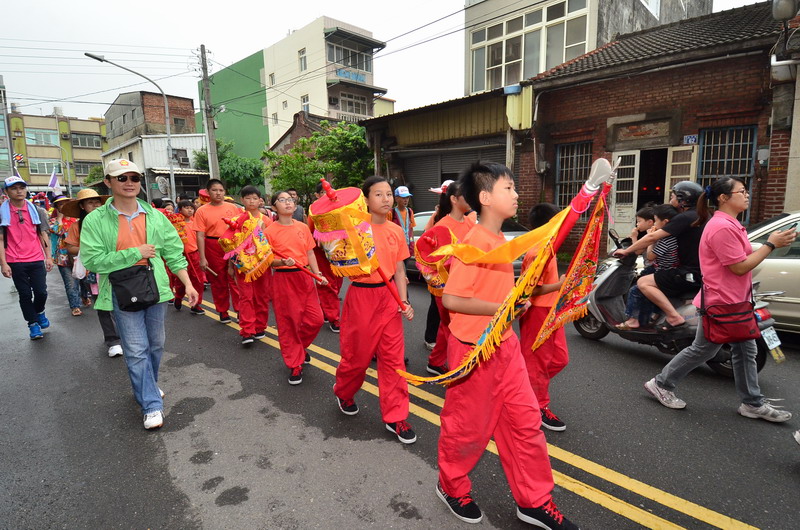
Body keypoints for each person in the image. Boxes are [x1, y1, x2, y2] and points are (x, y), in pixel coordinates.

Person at [437, 162, 577, 529]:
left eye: (515, 188)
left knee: (525, 424)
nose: (517, 195)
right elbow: (452, 300)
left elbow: (501, 295)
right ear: (485, 198)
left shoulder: (502, 240)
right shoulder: (475, 242)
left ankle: (534, 501)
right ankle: (451, 485)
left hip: (506, 345)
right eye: (509, 188)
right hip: (473, 350)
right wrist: (504, 307)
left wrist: (517, 301)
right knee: (467, 428)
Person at [644, 177, 795, 423]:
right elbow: (738, 267)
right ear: (724, 198)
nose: (747, 195)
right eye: (741, 191)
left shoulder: (730, 224)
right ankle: (661, 383)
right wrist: (770, 244)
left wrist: (769, 244)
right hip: (722, 302)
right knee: (705, 349)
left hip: (733, 300)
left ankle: (752, 402)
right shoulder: (721, 227)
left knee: (744, 349)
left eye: (746, 191)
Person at [80, 159, 199, 430]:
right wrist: (136, 253)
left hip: (155, 289)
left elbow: (173, 252)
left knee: (156, 345)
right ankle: (151, 404)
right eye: (121, 178)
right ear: (108, 183)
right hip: (123, 292)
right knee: (135, 350)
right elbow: (93, 260)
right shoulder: (96, 220)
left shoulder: (156, 215)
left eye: (134, 177)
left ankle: (148, 386)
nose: (129, 182)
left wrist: (188, 285)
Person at [333, 176, 417, 444]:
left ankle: (396, 416)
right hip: (361, 298)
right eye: (378, 194)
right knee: (356, 358)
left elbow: (401, 269)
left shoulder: (395, 230)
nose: (386, 199)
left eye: (389, 194)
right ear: (366, 201)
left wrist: (404, 302)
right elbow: (339, 262)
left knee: (393, 361)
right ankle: (343, 391)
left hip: (389, 298)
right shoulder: (355, 230)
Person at [614, 181, 704, 331]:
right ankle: (655, 316)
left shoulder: (685, 217)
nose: (671, 199)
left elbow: (651, 239)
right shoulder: (703, 215)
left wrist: (626, 251)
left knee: (643, 283)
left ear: (683, 200)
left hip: (688, 272)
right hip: (700, 270)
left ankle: (673, 317)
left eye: (673, 196)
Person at [518, 203, 570, 432]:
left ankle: (522, 388)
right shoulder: (538, 251)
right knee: (536, 363)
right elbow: (529, 290)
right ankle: (537, 406)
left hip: (551, 311)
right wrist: (559, 284)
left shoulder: (550, 246)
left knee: (559, 359)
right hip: (537, 312)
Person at [266, 191, 325, 384]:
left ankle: (298, 349)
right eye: (282, 200)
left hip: (305, 277)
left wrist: (318, 274)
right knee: (289, 324)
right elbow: (267, 261)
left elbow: (310, 253)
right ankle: (294, 364)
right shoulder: (269, 231)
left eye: (290, 200)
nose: (287, 203)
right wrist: (282, 262)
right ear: (274, 207)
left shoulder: (302, 227)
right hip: (284, 280)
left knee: (316, 320)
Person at [62, 189, 123, 357]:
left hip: (117, 267)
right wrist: (89, 248)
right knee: (104, 306)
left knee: (121, 303)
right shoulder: (77, 226)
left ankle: (125, 336)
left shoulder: (112, 220)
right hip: (94, 271)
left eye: (97, 202)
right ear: (82, 206)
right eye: (90, 202)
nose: (95, 205)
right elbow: (70, 247)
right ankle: (113, 340)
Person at [424, 180, 475, 376]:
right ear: (454, 199)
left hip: (464, 285)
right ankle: (453, 367)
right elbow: (432, 260)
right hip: (446, 288)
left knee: (449, 328)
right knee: (452, 328)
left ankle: (435, 362)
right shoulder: (442, 226)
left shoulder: (470, 222)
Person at [0, 175, 53, 340]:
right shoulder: (2, 213)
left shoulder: (36, 210)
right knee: (24, 294)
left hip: (36, 258)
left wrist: (48, 257)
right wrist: (3, 264)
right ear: (6, 191)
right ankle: (33, 325)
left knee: (41, 292)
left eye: (21, 188)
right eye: (14, 188)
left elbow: (44, 234)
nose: (19, 191)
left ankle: (40, 312)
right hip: (15, 260)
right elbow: (1, 239)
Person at [617, 204, 679, 330]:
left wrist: (649, 239)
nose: (637, 224)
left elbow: (649, 256)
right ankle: (648, 317)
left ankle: (633, 320)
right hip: (664, 269)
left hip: (661, 270)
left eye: (655, 220)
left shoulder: (664, 238)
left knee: (635, 290)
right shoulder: (669, 236)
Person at [228, 186, 273, 346]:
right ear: (242, 200)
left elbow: (270, 243)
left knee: (262, 296)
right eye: (248, 198)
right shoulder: (236, 220)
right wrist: (230, 266)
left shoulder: (267, 220)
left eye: (254, 198)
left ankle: (260, 326)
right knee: (246, 297)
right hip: (243, 266)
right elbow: (230, 245)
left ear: (260, 200)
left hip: (262, 265)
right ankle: (247, 330)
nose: (251, 201)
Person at [194, 179, 241, 324]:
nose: (218, 193)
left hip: (232, 245)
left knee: (235, 278)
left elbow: (240, 228)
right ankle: (223, 310)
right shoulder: (202, 210)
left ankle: (240, 310)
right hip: (212, 245)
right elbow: (200, 235)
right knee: (218, 280)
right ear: (208, 192)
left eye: (221, 190)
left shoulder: (233, 207)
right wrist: (202, 257)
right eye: (215, 190)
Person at [308, 181, 343, 332]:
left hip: (340, 251)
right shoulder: (313, 210)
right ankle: (334, 318)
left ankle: (326, 309)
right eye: (323, 192)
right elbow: (310, 232)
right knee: (328, 283)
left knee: (338, 281)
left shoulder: (341, 207)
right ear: (317, 195)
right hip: (321, 252)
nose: (327, 194)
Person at [50, 195, 84, 316]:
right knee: (70, 282)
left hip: (79, 253)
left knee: (83, 280)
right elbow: (58, 232)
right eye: (60, 204)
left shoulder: (76, 220)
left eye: (66, 203)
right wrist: (59, 218)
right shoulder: (53, 221)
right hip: (63, 257)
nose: (63, 206)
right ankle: (75, 306)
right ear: (57, 207)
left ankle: (84, 296)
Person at [171, 200, 205, 315]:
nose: (190, 210)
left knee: (198, 280)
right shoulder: (175, 224)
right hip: (182, 255)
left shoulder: (196, 222)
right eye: (186, 208)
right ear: (180, 210)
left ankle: (196, 304)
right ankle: (179, 297)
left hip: (195, 254)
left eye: (191, 208)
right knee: (181, 281)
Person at [390, 185, 415, 255]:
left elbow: (411, 229)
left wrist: (412, 244)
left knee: (406, 266)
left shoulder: (410, 211)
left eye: (407, 197)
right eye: (403, 197)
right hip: (397, 248)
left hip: (408, 247)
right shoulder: (391, 213)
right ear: (396, 198)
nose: (406, 200)